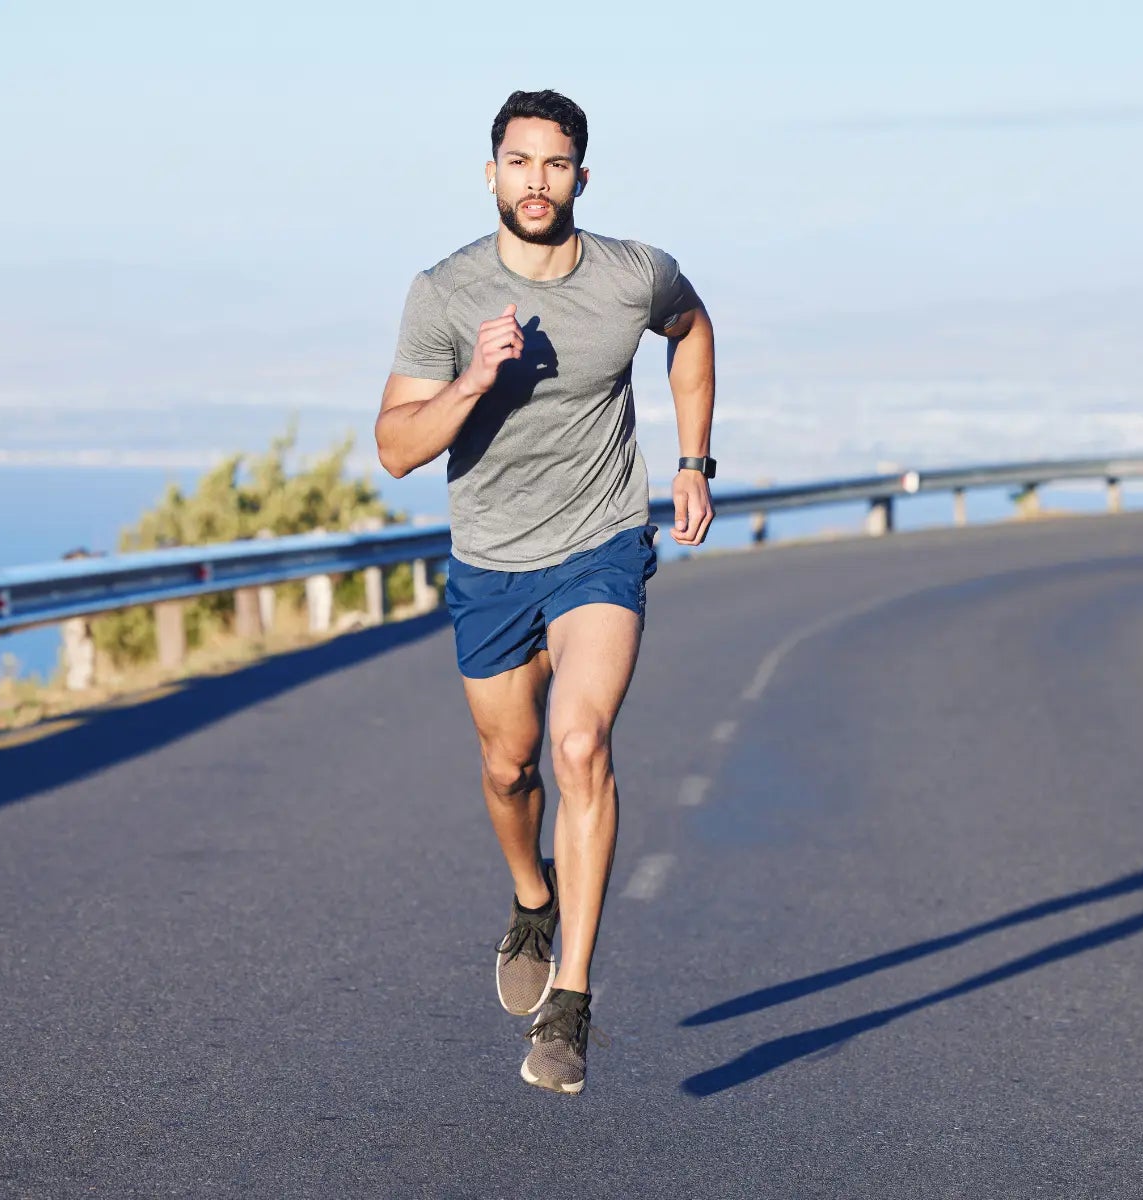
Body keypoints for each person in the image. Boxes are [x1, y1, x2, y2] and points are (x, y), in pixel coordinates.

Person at [374, 89, 716, 1095]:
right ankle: (533, 897)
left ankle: (569, 1002)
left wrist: (693, 460)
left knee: (579, 746)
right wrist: (473, 381)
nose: (537, 181)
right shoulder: (444, 294)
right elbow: (395, 448)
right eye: (519, 162)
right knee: (509, 765)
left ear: (581, 177)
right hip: (490, 561)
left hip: (599, 544)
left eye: (556, 164)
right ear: (491, 174)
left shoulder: (632, 275)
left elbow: (691, 328)